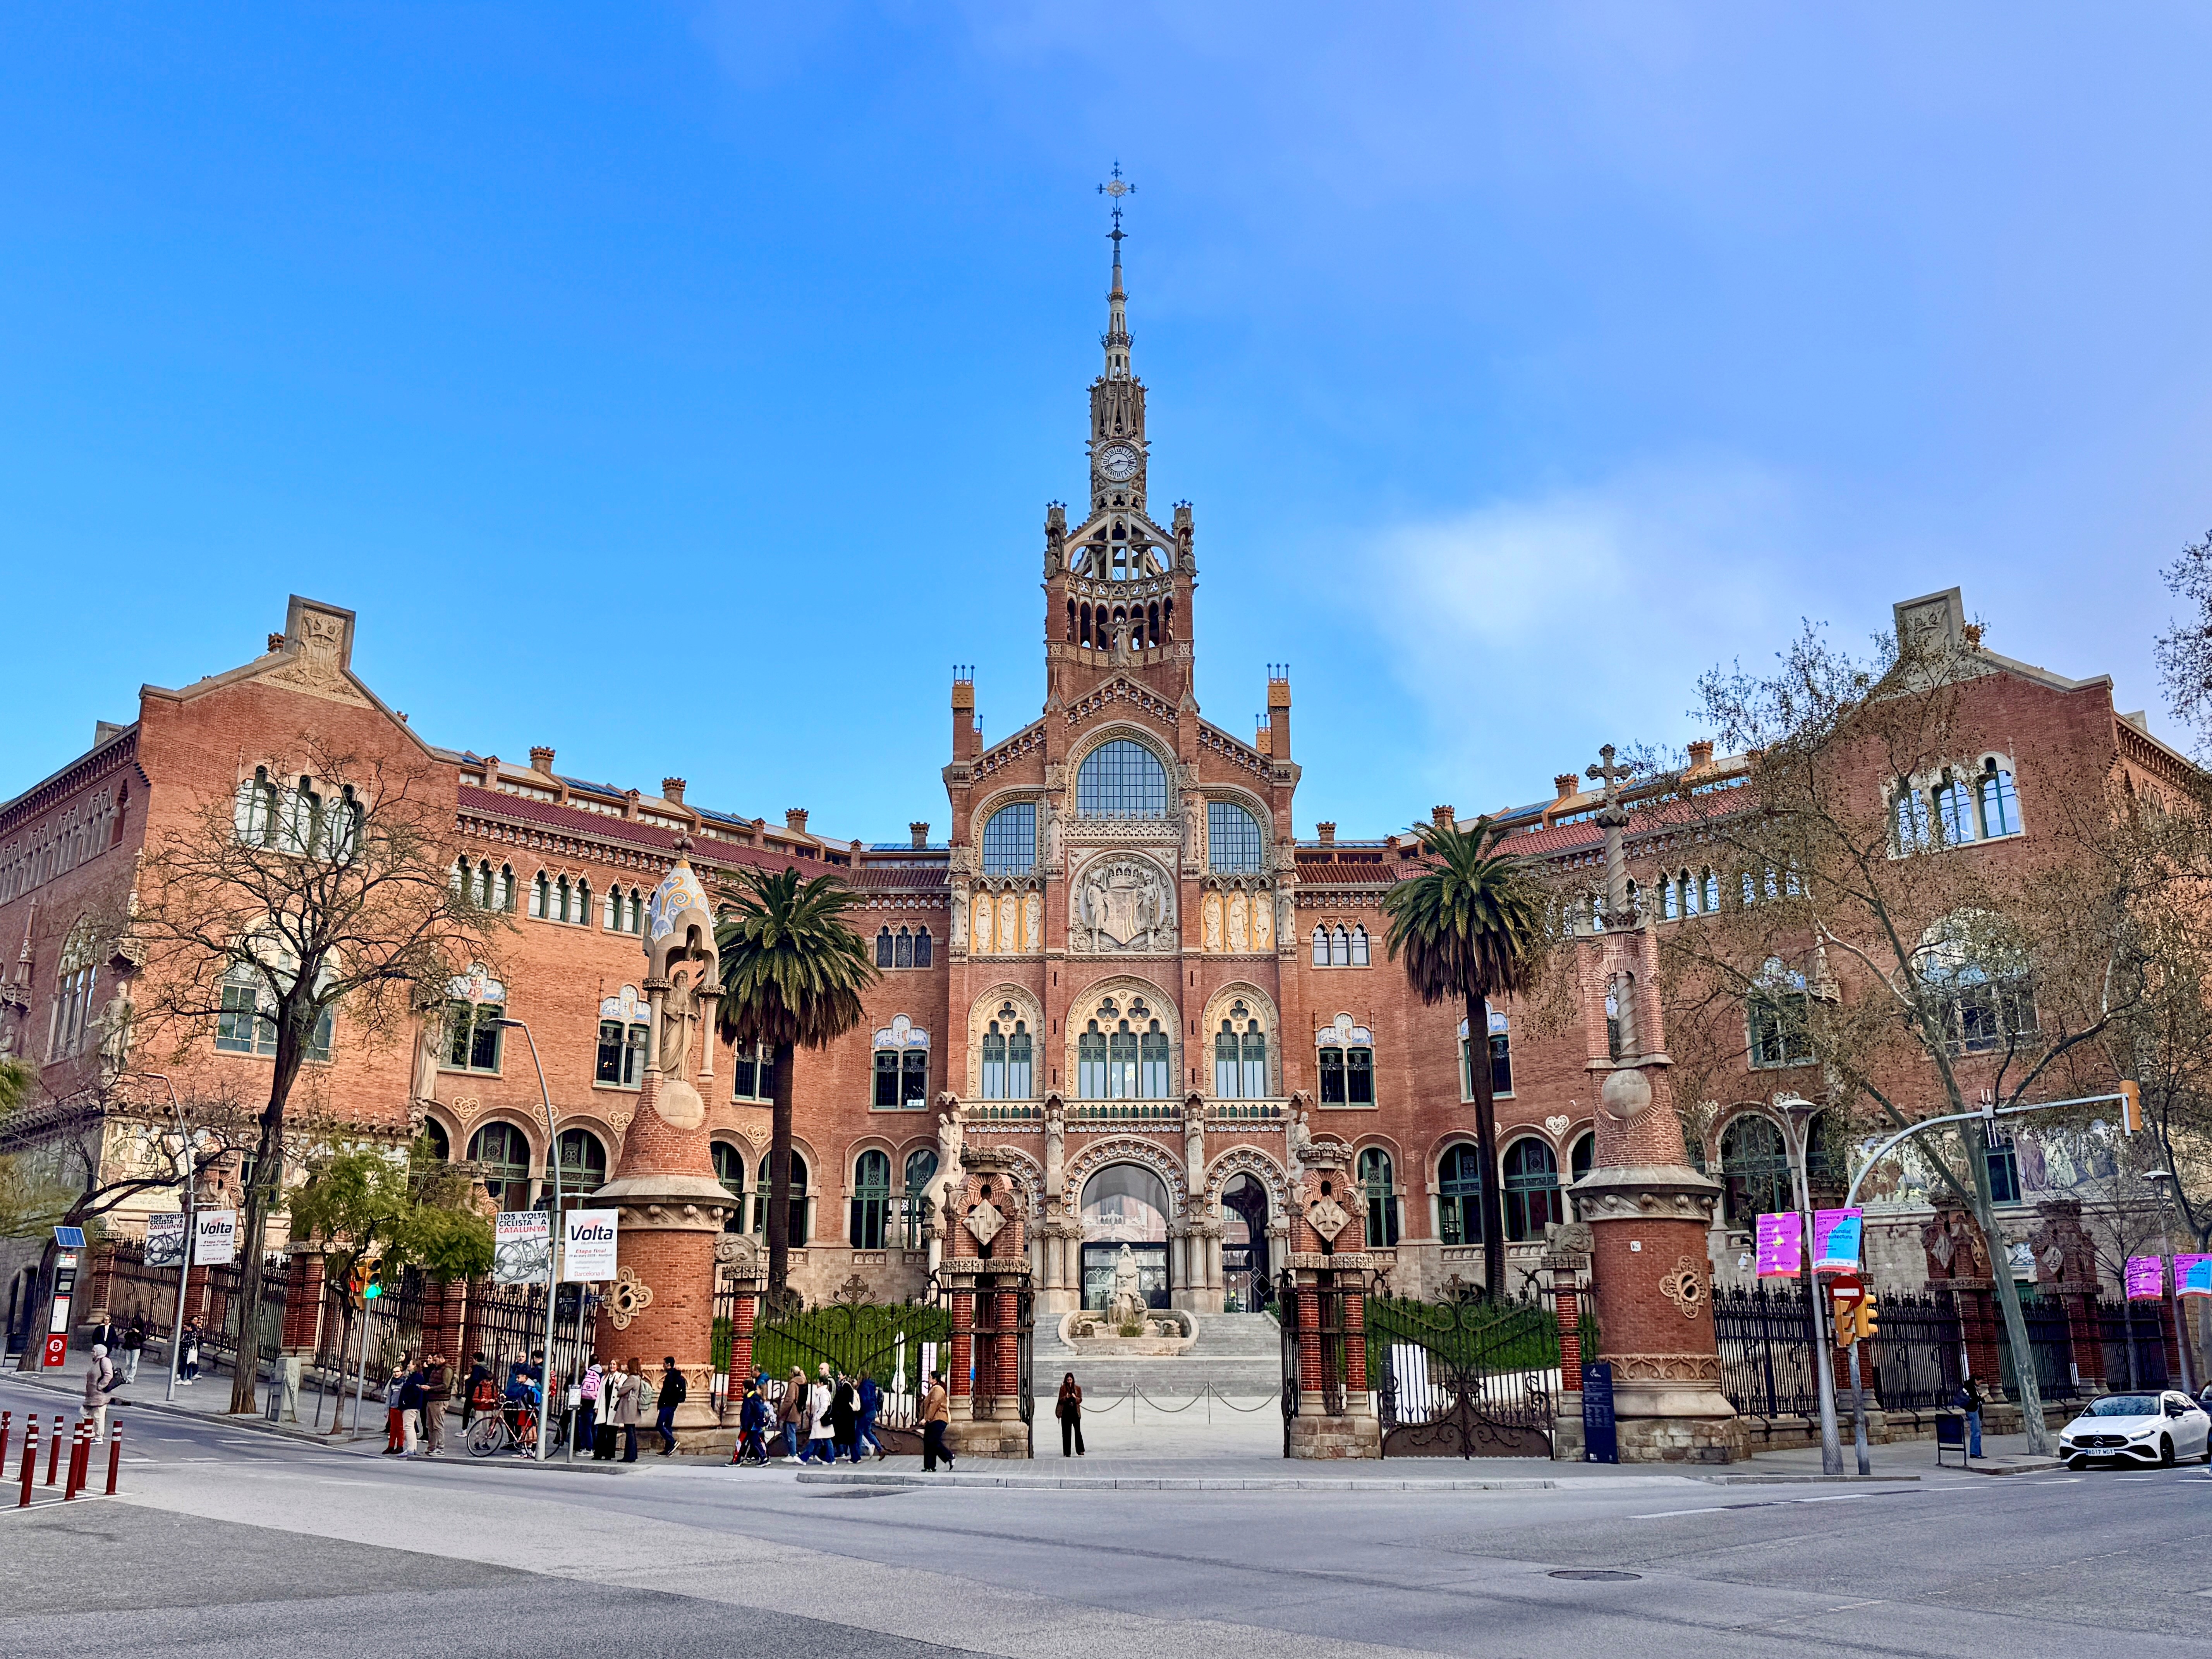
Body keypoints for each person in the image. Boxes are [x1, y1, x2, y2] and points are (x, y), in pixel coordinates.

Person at [83, 1342, 122, 1444]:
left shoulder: (105, 1361)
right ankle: (90, 1433)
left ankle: (99, 1437)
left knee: (98, 1416)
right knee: (85, 1413)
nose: (92, 1353)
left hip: (100, 1395)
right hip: (92, 1395)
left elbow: (109, 1375)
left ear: (99, 1352)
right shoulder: (97, 1361)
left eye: (94, 1351)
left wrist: (100, 1386)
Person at [803, 1364, 836, 1464]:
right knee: (824, 1439)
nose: (820, 1370)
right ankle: (830, 1459)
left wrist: (817, 1417)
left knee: (817, 1439)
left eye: (822, 1369)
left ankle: (804, 1458)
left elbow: (825, 1406)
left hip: (822, 1420)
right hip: (822, 1420)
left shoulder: (824, 1392)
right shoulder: (822, 1392)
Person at [611, 1358, 643, 1462]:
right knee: (632, 1431)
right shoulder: (639, 1378)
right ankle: (633, 1455)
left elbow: (622, 1391)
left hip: (629, 1407)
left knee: (629, 1431)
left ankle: (629, 1456)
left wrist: (619, 1385)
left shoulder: (633, 1378)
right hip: (633, 1406)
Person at [419, 1352, 450, 1456]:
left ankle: (440, 1448)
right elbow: (431, 1381)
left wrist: (431, 1388)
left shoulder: (447, 1369)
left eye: (436, 1360)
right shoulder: (436, 1369)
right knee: (430, 1425)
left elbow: (445, 1386)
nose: (434, 1362)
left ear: (442, 1359)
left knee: (438, 1425)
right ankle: (432, 1447)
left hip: (439, 1400)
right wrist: (426, 1386)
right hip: (431, 1399)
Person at [921, 1369, 951, 1472]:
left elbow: (934, 1404)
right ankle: (930, 1466)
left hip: (939, 1419)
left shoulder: (938, 1389)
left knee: (933, 1441)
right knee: (928, 1441)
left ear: (934, 1379)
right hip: (933, 1420)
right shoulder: (934, 1389)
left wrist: (926, 1419)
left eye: (930, 1377)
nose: (928, 1379)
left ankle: (949, 1457)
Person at [655, 1355, 686, 1456]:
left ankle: (672, 1442)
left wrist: (661, 1403)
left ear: (668, 1365)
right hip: (673, 1405)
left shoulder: (670, 1376)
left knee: (660, 1425)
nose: (663, 1366)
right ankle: (668, 1449)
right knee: (668, 1426)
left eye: (664, 1364)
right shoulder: (678, 1376)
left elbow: (666, 1392)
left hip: (667, 1404)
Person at [734, 1381, 769, 1466]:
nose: (742, 1390)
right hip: (755, 1424)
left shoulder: (749, 1400)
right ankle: (764, 1458)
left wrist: (745, 1426)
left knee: (741, 1442)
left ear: (747, 1389)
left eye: (743, 1388)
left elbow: (747, 1414)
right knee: (756, 1441)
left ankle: (736, 1460)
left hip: (749, 1425)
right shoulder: (756, 1398)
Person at [776, 1367, 809, 1459]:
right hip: (798, 1410)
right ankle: (792, 1452)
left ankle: (793, 1454)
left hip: (791, 1412)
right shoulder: (803, 1382)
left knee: (790, 1433)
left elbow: (789, 1400)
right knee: (788, 1432)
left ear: (792, 1373)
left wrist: (781, 1412)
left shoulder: (793, 1384)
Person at [399, 1359, 428, 1457]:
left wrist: (406, 1401)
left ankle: (410, 1449)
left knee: (408, 1426)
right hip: (411, 1405)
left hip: (411, 1405)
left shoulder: (417, 1378)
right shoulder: (414, 1377)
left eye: (411, 1364)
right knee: (410, 1426)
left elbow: (415, 1391)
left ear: (415, 1366)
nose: (408, 1365)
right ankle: (413, 1448)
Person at [829, 1369, 859, 1463]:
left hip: (846, 1416)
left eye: (840, 1374)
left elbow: (844, 1401)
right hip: (846, 1416)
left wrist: (837, 1411)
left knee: (848, 1437)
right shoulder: (845, 1385)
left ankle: (855, 1457)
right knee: (849, 1438)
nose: (839, 1376)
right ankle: (855, 1457)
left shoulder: (845, 1385)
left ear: (845, 1375)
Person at [462, 1352, 495, 1430]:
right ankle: (491, 1429)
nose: (472, 1361)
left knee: (467, 1411)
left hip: (473, 1393)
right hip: (482, 1393)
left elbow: (474, 1380)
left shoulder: (476, 1368)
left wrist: (467, 1379)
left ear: (476, 1359)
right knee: (483, 1413)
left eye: (473, 1359)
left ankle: (464, 1430)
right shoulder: (485, 1368)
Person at [855, 1373, 884, 1462]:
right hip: (872, 1411)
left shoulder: (864, 1386)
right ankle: (881, 1450)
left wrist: (860, 1411)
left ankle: (857, 1455)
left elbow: (864, 1400)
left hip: (866, 1413)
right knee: (867, 1432)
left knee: (859, 1432)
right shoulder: (871, 1385)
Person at [576, 1360, 602, 1457]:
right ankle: (594, 1447)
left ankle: (588, 1449)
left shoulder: (587, 1374)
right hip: (595, 1404)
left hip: (585, 1403)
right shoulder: (601, 1375)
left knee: (586, 1427)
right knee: (593, 1427)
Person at [1056, 1373, 1085, 1458]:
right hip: (1066, 1412)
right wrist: (1066, 1397)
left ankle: (1080, 1450)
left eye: (1071, 1380)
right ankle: (1067, 1451)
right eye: (1068, 1380)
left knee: (1078, 1432)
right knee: (1066, 1433)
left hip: (1075, 1413)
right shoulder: (1063, 1388)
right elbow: (1060, 1400)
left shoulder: (1077, 1388)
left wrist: (1075, 1397)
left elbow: (1080, 1400)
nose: (1069, 1382)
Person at [1956, 1377, 1986, 1458]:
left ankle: (1977, 1452)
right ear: (1976, 1380)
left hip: (1975, 1410)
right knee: (1976, 1432)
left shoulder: (1971, 1387)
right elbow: (1974, 1400)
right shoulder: (1971, 1387)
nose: (1980, 1384)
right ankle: (1975, 1452)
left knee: (1977, 1432)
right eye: (1980, 1382)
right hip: (1973, 1411)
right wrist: (1982, 1397)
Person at [122, 1316, 145, 1384]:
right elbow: (126, 1336)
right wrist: (130, 1332)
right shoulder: (131, 1328)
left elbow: (143, 1338)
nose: (135, 1323)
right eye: (134, 1322)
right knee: (128, 1363)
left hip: (136, 1347)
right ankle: (126, 1377)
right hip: (129, 1346)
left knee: (134, 1364)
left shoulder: (142, 1329)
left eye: (136, 1322)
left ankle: (131, 1378)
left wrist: (138, 1332)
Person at [179, 1317, 202, 1384]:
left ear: (190, 1327)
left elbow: (190, 1342)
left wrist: (184, 1342)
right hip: (183, 1351)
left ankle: (189, 1379)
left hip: (189, 1352)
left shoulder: (193, 1334)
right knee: (183, 1365)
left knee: (189, 1365)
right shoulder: (184, 1333)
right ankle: (182, 1378)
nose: (185, 1329)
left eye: (186, 1328)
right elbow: (181, 1341)